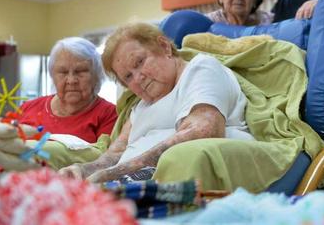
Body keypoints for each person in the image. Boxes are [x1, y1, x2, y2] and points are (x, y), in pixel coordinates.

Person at [58, 22, 254, 183]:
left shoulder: (200, 69)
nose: (138, 77)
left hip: (183, 176)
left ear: (164, 47)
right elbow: (114, 153)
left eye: (140, 62)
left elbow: (203, 131)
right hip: (130, 181)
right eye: (128, 77)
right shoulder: (140, 106)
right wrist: (83, 170)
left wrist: (113, 174)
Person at [19, 37, 117, 144]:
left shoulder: (109, 114)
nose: (71, 80)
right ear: (52, 76)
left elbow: (104, 157)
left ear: (96, 75)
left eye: (80, 71)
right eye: (63, 72)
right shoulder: (27, 108)